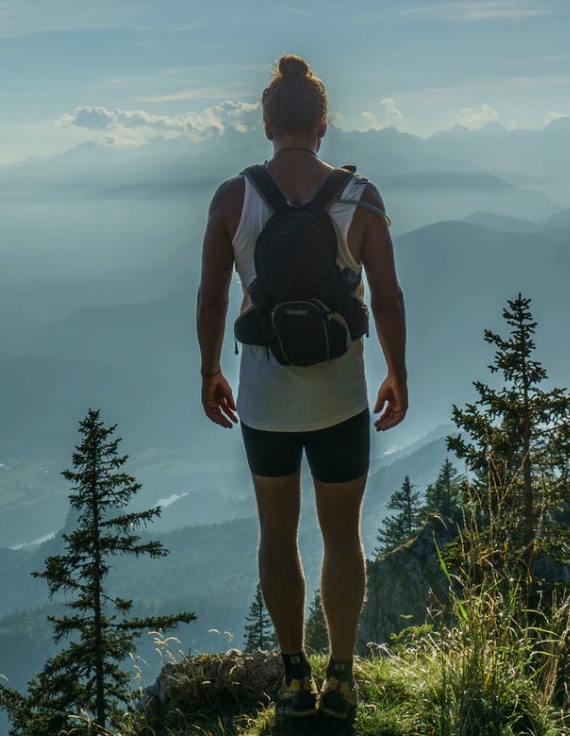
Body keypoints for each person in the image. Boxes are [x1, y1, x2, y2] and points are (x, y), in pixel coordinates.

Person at [196, 54, 408, 720]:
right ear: (322, 123)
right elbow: (388, 295)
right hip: (341, 396)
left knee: (276, 534)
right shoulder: (360, 197)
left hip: (265, 398)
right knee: (342, 538)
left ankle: (293, 679)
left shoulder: (234, 197)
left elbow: (211, 293)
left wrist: (209, 369)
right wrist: (397, 372)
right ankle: (341, 677)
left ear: (266, 124)